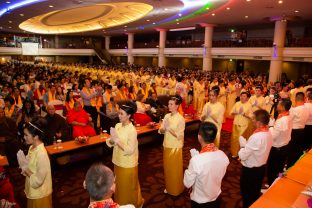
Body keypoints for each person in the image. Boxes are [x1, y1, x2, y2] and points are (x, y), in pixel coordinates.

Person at [106, 101, 143, 207]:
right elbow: (110, 142)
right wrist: (112, 140)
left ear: (129, 115)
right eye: (119, 113)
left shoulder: (132, 130)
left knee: (128, 187)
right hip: (117, 160)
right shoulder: (117, 125)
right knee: (119, 186)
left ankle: (130, 205)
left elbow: (130, 150)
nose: (119, 115)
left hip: (127, 164)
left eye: (122, 114)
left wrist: (117, 141)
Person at [184, 122, 229, 208]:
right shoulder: (223, 155)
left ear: (199, 136)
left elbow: (187, 183)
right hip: (216, 197)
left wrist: (192, 162)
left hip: (200, 201)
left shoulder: (196, 160)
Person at [238, 110, 272, 208]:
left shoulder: (257, 136)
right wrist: (247, 145)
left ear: (259, 122)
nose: (251, 120)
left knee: (247, 195)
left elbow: (243, 156)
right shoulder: (268, 131)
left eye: (253, 119)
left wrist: (242, 146)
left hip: (250, 171)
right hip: (261, 167)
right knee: (255, 192)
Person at [17, 117, 52, 208]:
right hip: (33, 190)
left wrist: (25, 168)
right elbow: (31, 166)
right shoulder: (32, 147)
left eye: (26, 135)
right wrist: (24, 162)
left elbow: (38, 181)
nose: (24, 137)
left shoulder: (41, 154)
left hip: (40, 193)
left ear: (36, 136)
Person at [159, 95, 185, 196]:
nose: (169, 106)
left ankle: (176, 189)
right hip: (167, 145)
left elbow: (179, 136)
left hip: (175, 147)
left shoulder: (180, 119)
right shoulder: (166, 116)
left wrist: (169, 128)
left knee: (175, 169)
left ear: (177, 106)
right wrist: (163, 129)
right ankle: (169, 187)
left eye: (171, 104)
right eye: (168, 104)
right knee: (168, 168)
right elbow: (160, 130)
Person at [266, 98, 293, 186]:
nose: (277, 105)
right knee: (280, 167)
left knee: (272, 168)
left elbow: (273, 136)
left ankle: (271, 186)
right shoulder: (288, 115)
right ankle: (278, 183)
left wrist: (270, 127)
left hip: (277, 149)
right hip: (285, 146)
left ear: (282, 106)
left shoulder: (281, 120)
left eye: (278, 104)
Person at [287, 92, 309, 167]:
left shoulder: (294, 110)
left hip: (294, 132)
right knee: (298, 151)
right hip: (302, 131)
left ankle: (289, 167)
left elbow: (288, 120)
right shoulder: (307, 109)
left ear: (296, 99)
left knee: (291, 151)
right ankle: (295, 166)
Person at [230, 92, 253, 158]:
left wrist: (244, 114)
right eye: (241, 96)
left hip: (244, 125)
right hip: (236, 123)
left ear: (247, 98)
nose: (242, 97)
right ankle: (234, 153)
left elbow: (251, 116)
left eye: (244, 96)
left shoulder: (249, 105)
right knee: (234, 138)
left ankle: (241, 154)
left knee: (241, 139)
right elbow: (231, 113)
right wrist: (236, 112)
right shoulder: (237, 103)